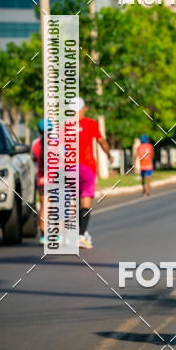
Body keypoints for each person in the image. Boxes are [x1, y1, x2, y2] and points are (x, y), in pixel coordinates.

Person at [75, 99, 113, 249]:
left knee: (72, 201)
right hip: (87, 168)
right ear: (83, 109)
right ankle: (81, 235)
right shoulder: (91, 124)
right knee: (85, 201)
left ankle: (73, 233)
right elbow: (102, 142)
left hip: (69, 168)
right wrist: (109, 154)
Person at [32, 118, 50, 244]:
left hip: (42, 180)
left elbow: (33, 158)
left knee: (44, 207)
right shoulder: (57, 143)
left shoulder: (35, 144)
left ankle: (44, 235)